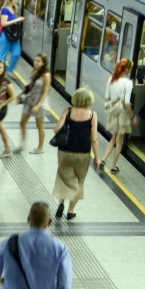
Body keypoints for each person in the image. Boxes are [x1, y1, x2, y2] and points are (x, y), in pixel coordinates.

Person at [51, 87, 100, 220]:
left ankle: (60, 203)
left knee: (63, 177)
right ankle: (70, 210)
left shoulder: (68, 111)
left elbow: (57, 130)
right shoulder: (92, 115)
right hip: (83, 152)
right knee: (79, 182)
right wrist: (97, 157)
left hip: (65, 150)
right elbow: (94, 139)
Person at [100, 58, 135, 172]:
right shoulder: (128, 83)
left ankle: (103, 159)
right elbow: (126, 102)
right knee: (119, 140)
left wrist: (110, 107)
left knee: (113, 138)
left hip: (113, 111)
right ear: (128, 69)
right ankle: (113, 166)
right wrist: (132, 116)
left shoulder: (112, 79)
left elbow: (107, 98)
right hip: (123, 114)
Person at [18, 53, 53, 153]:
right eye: (35, 60)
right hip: (30, 98)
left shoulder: (46, 75)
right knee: (22, 123)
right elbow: (31, 85)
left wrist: (38, 105)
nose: (35, 63)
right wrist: (20, 94)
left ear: (43, 63)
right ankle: (22, 144)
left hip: (39, 100)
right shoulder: (34, 71)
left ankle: (40, 147)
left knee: (39, 125)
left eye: (38, 61)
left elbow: (46, 91)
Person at [0, 2, 24, 70]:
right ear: (10, 0)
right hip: (5, 34)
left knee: (17, 53)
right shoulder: (5, 9)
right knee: (3, 56)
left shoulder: (13, 9)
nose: (16, 1)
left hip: (13, 35)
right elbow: (3, 24)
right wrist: (17, 20)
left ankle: (10, 70)